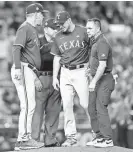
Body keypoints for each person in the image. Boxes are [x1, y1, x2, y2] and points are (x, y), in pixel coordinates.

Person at [10, 3, 48, 150]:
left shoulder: (32, 30)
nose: (43, 17)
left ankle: (24, 139)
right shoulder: (25, 27)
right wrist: (18, 68)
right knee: (27, 105)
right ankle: (23, 140)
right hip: (24, 69)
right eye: (41, 14)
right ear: (35, 14)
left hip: (29, 70)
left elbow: (34, 52)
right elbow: (16, 49)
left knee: (30, 105)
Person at [51, 11, 90, 147]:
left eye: (62, 24)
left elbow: (95, 49)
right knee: (67, 105)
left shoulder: (84, 31)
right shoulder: (58, 36)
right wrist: (55, 76)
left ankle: (98, 134)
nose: (60, 26)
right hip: (65, 72)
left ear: (69, 20)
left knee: (86, 104)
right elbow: (56, 57)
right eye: (58, 25)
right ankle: (71, 137)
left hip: (81, 70)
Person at [31, 18, 61, 147]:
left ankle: (50, 140)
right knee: (38, 111)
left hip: (56, 79)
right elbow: (30, 61)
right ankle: (34, 140)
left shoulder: (60, 41)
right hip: (41, 78)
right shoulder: (38, 42)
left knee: (53, 111)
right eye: (53, 28)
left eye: (57, 28)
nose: (56, 30)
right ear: (46, 29)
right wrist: (35, 78)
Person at [86, 18, 115, 148]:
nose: (87, 31)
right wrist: (90, 70)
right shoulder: (95, 42)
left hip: (103, 79)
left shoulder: (102, 42)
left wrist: (93, 81)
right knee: (92, 109)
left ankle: (107, 139)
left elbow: (102, 66)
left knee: (100, 109)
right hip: (97, 79)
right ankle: (99, 137)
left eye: (90, 28)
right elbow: (97, 63)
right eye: (86, 28)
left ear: (98, 28)